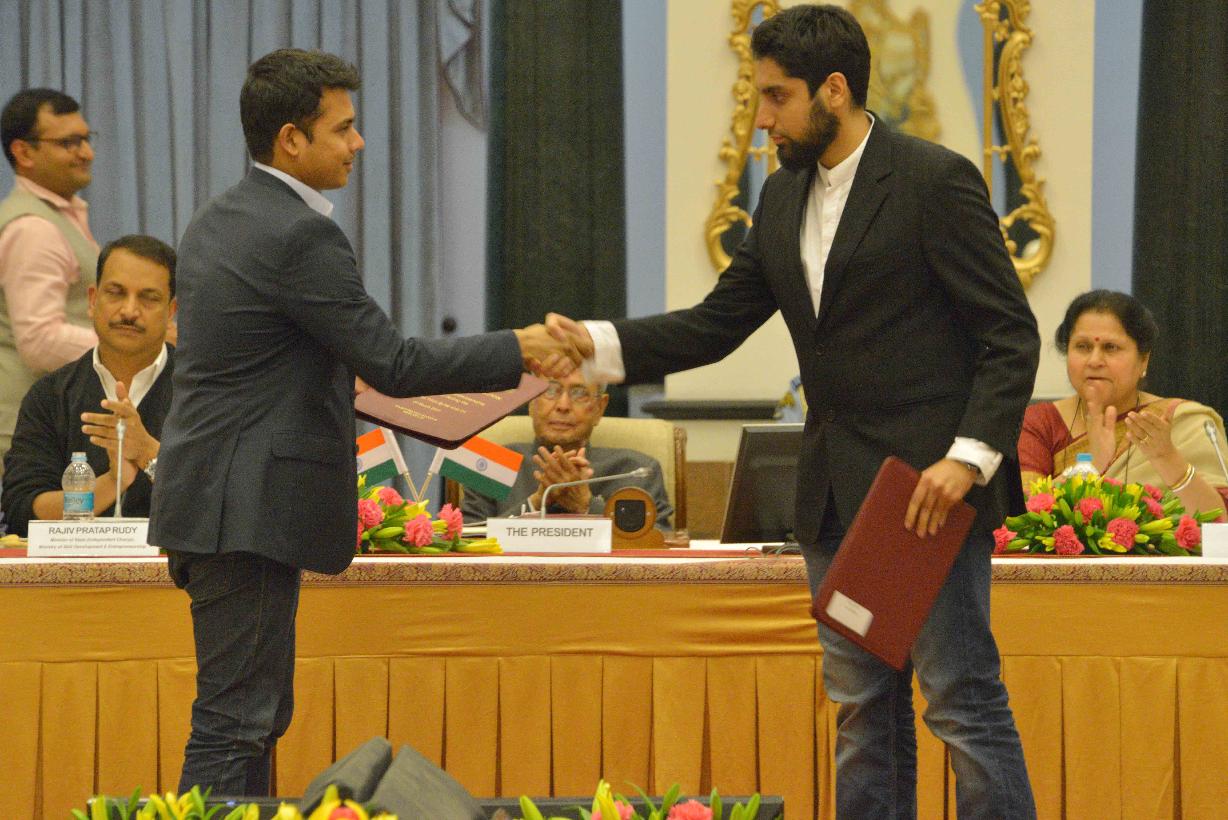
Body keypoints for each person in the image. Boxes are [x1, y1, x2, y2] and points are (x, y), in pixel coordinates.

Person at [548, 6, 1040, 816]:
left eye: (776, 97)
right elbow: (714, 325)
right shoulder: (780, 196)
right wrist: (594, 344)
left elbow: (1010, 335)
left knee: (962, 704)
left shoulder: (934, 180)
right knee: (862, 711)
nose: (761, 119)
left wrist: (968, 459)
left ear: (834, 90)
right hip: (833, 497)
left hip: (926, 496)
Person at [148, 49, 579, 797]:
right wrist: (520, 347)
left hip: (217, 503)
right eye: (342, 128)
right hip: (244, 510)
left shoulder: (221, 217)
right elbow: (394, 364)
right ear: (291, 139)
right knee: (236, 722)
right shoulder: (296, 234)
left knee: (250, 718)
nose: (359, 142)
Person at [1, 235, 176, 533]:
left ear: (171, 312)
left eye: (148, 298)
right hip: (73, 565)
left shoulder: (204, 392)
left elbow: (225, 503)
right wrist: (110, 483)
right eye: (116, 293)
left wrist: (148, 452)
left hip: (177, 564)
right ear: (93, 301)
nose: (129, 311)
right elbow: (22, 510)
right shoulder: (50, 396)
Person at [1019, 290, 1228, 517]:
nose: (1094, 360)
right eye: (1083, 346)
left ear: (1143, 360)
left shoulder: (1180, 422)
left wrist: (1167, 458)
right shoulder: (1039, 423)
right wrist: (1091, 466)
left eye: (1110, 347)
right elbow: (1021, 517)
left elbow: (1218, 521)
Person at [0, 89, 100, 471]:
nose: (86, 153)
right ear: (23, 152)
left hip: (42, 423)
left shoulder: (53, 216)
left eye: (86, 139)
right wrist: (128, 347)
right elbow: (41, 341)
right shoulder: (33, 228)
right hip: (25, 433)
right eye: (69, 143)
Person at [460, 370, 673, 528]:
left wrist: (587, 506)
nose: (563, 405)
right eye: (550, 390)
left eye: (579, 393)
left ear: (600, 408)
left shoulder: (636, 471)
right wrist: (536, 503)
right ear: (531, 401)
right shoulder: (489, 464)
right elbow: (465, 542)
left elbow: (660, 545)